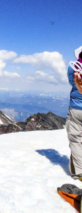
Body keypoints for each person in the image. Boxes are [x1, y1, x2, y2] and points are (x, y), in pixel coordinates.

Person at [66, 45, 82, 180]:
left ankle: (79, 172)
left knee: (76, 139)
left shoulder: (73, 67)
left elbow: (72, 82)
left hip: (76, 108)